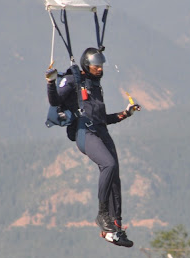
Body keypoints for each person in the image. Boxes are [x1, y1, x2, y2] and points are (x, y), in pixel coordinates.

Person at [45, 47, 140, 247]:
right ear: (87, 65)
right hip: (84, 132)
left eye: (101, 65)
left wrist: (125, 113)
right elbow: (55, 101)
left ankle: (115, 228)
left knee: (115, 175)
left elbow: (101, 118)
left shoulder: (95, 86)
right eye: (96, 66)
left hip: (100, 130)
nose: (100, 69)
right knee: (109, 165)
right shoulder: (73, 80)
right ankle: (102, 214)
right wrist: (50, 82)